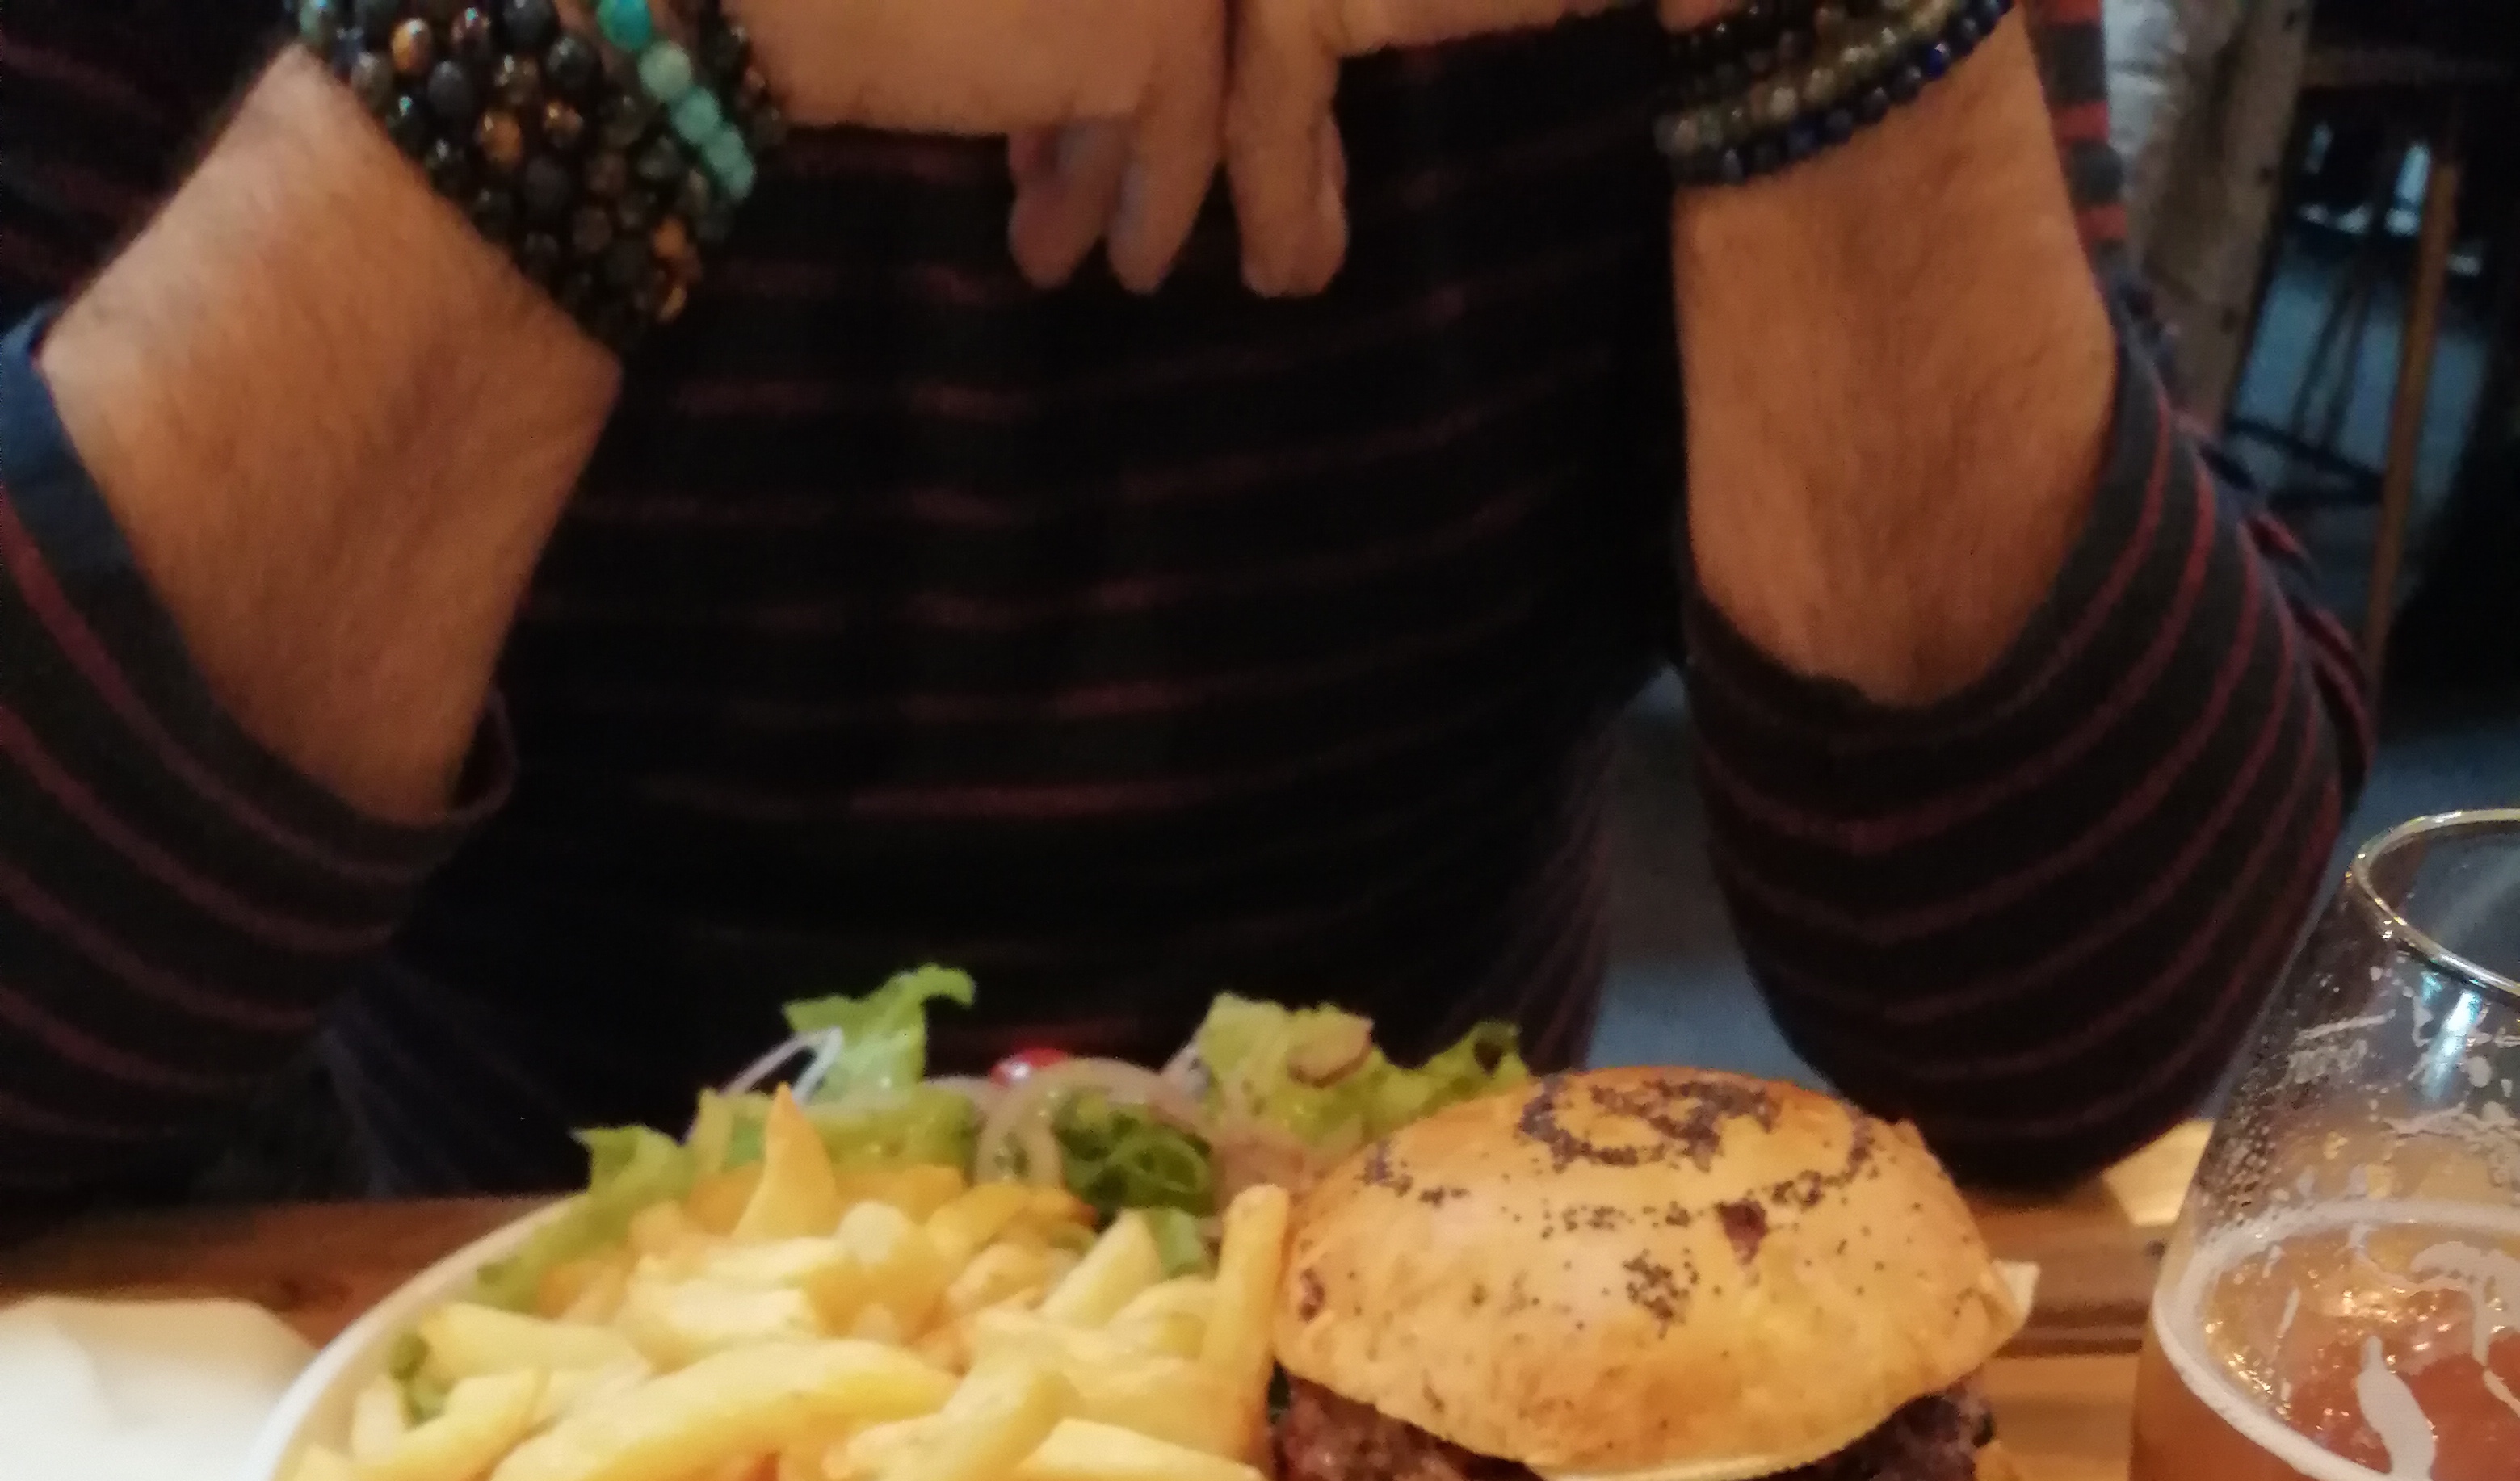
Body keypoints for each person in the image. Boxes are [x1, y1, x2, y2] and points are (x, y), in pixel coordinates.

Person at [0, 0, 2367, 1226]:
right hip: (470, 1373)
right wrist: (583, 47)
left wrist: (1826, 19)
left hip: (1448, 1374)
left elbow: (2097, 1013)